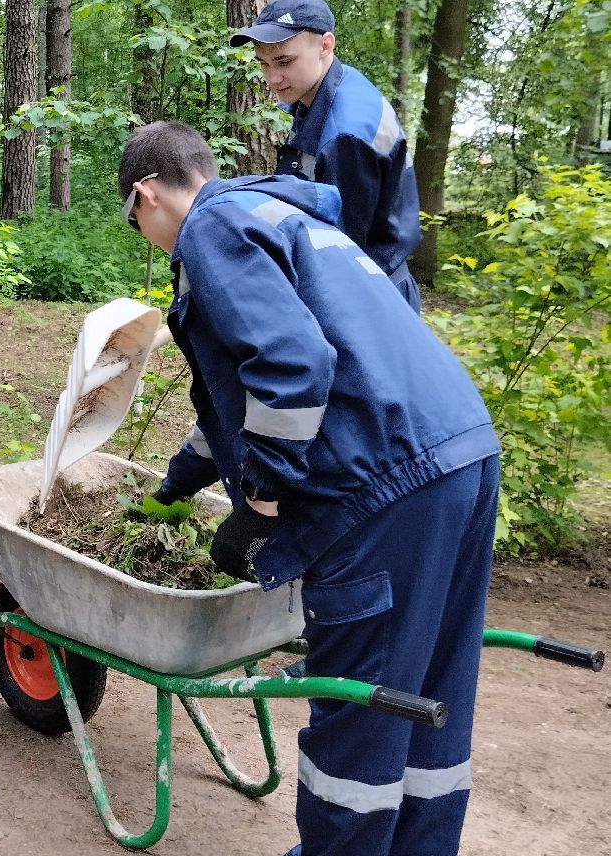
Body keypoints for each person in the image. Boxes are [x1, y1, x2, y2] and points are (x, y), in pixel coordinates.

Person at [118, 119, 500, 856]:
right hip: (460, 455)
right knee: (428, 694)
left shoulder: (211, 230)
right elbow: (243, 402)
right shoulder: (285, 217)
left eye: (138, 225)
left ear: (146, 195)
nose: (149, 240)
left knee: (357, 711)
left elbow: (292, 369)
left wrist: (259, 506)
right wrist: (178, 484)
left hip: (383, 486)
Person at [230, 0, 422, 311]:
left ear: (325, 45)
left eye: (284, 61)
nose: (272, 78)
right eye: (263, 63)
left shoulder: (345, 134)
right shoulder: (323, 90)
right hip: (366, 287)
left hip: (373, 300)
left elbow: (340, 254)